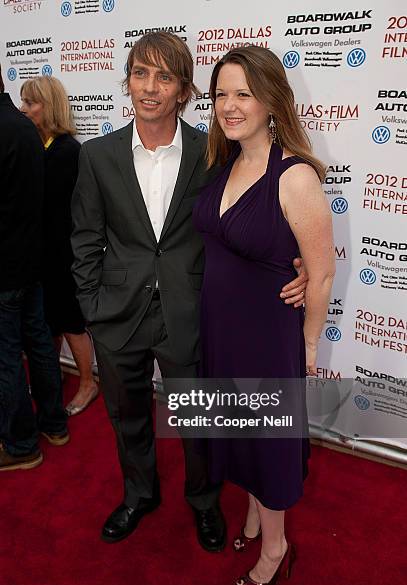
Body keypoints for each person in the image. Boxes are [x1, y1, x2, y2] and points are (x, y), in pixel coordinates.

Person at [70, 33, 307, 550]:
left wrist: (298, 264)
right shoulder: (97, 156)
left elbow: (256, 211)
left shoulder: (214, 149)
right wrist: (92, 307)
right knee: (127, 415)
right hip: (117, 315)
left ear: (183, 89)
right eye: (139, 73)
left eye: (164, 77)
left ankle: (203, 502)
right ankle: (139, 495)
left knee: (199, 420)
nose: (149, 88)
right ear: (127, 80)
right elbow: (85, 237)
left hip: (192, 311)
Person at [193, 46, 335, 585]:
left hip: (268, 338)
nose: (229, 106)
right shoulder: (225, 163)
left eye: (243, 94)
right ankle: (253, 515)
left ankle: (276, 546)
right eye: (221, 93)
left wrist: (309, 346)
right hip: (223, 331)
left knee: (266, 442)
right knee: (238, 432)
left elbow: (319, 274)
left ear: (271, 100)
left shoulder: (294, 176)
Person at [0, 66, 69, 471]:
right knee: (38, 343)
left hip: (7, 269)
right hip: (29, 262)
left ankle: (22, 444)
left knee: (7, 355)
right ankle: (54, 424)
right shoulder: (25, 127)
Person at [20, 77, 98, 416]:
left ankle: (87, 383)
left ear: (49, 106)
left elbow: (74, 214)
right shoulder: (31, 145)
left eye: (31, 103)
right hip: (35, 254)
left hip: (64, 255)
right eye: (23, 102)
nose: (24, 109)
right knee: (44, 322)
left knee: (70, 322)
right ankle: (47, 380)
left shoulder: (68, 151)